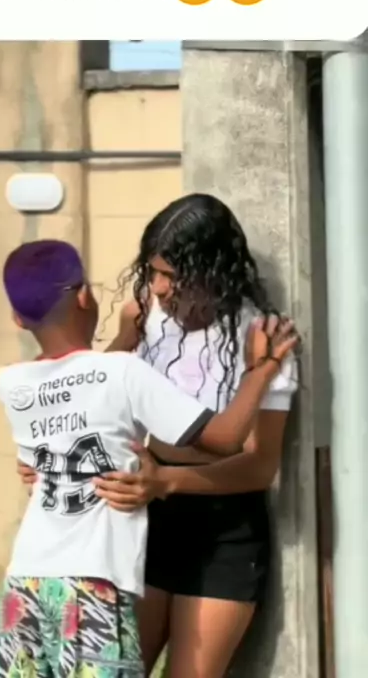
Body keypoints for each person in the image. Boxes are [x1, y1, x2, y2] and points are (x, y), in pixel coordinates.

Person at [18, 194, 299, 678]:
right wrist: (49, 456)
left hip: (224, 531)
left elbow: (259, 465)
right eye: (153, 272)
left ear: (213, 270)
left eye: (174, 275)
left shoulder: (261, 338)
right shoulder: (146, 318)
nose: (160, 288)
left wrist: (166, 481)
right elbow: (92, 403)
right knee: (112, 671)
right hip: (145, 522)